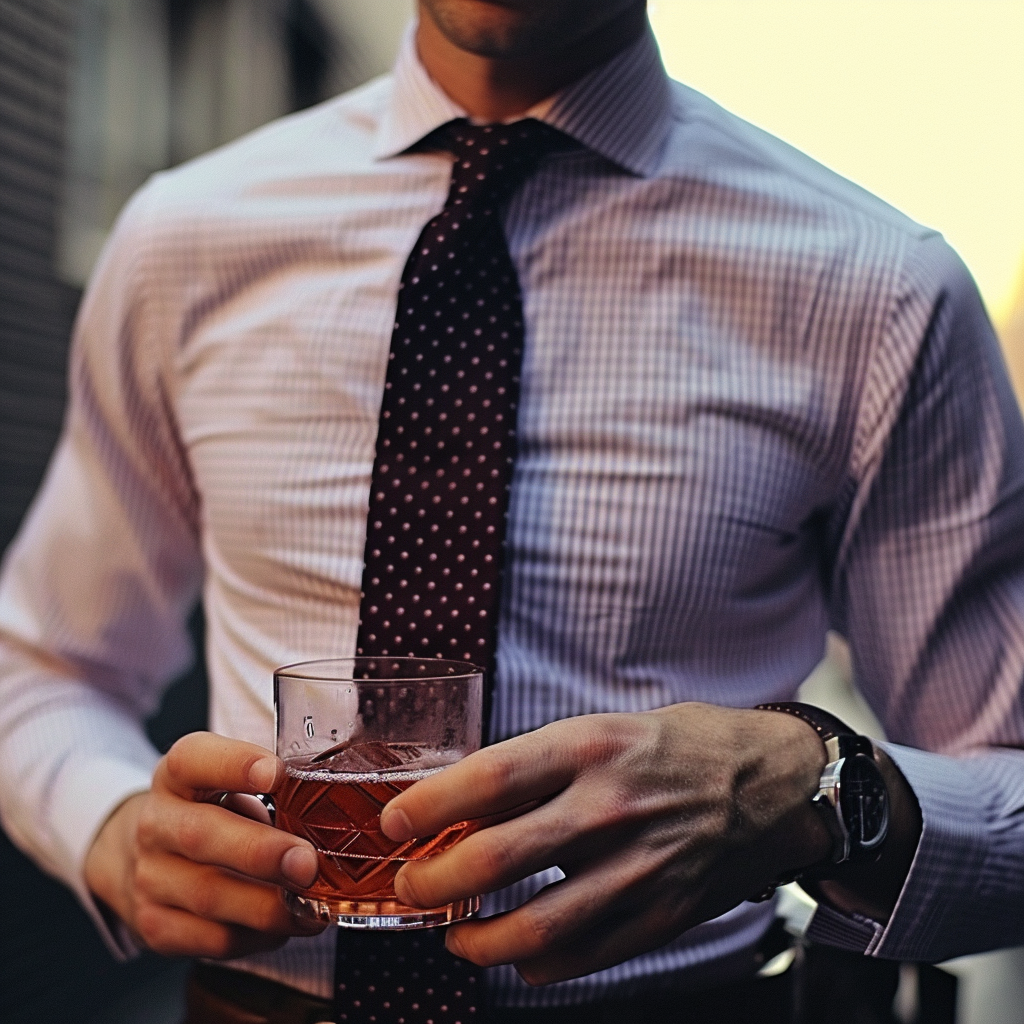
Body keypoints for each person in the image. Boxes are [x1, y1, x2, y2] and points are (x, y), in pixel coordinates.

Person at [2, 0, 1024, 1021]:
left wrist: (814, 790)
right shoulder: (182, 238)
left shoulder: (877, 288)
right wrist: (109, 825)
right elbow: (39, 664)